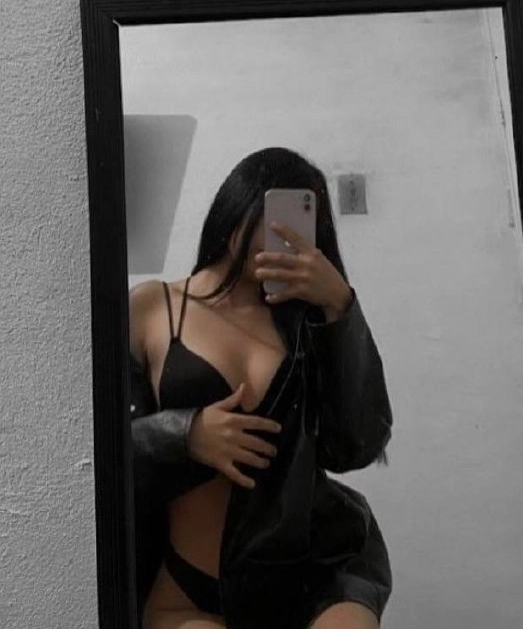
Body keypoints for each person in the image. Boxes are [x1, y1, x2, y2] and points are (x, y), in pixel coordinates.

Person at [128, 147, 393, 629]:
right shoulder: (153, 307)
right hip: (187, 591)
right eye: (271, 215)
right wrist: (185, 435)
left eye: (301, 222)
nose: (284, 234)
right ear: (238, 207)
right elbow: (94, 454)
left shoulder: (309, 322)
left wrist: (340, 305)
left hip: (318, 575)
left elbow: (356, 446)